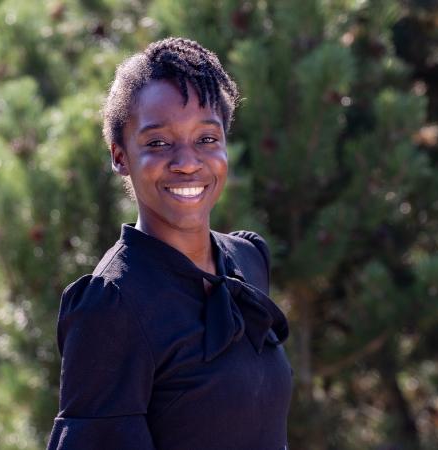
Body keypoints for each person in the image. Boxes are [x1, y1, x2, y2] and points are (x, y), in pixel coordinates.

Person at [47, 37, 293, 450]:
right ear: (120, 156)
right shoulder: (111, 307)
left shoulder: (248, 261)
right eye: (158, 143)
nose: (187, 161)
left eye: (206, 139)